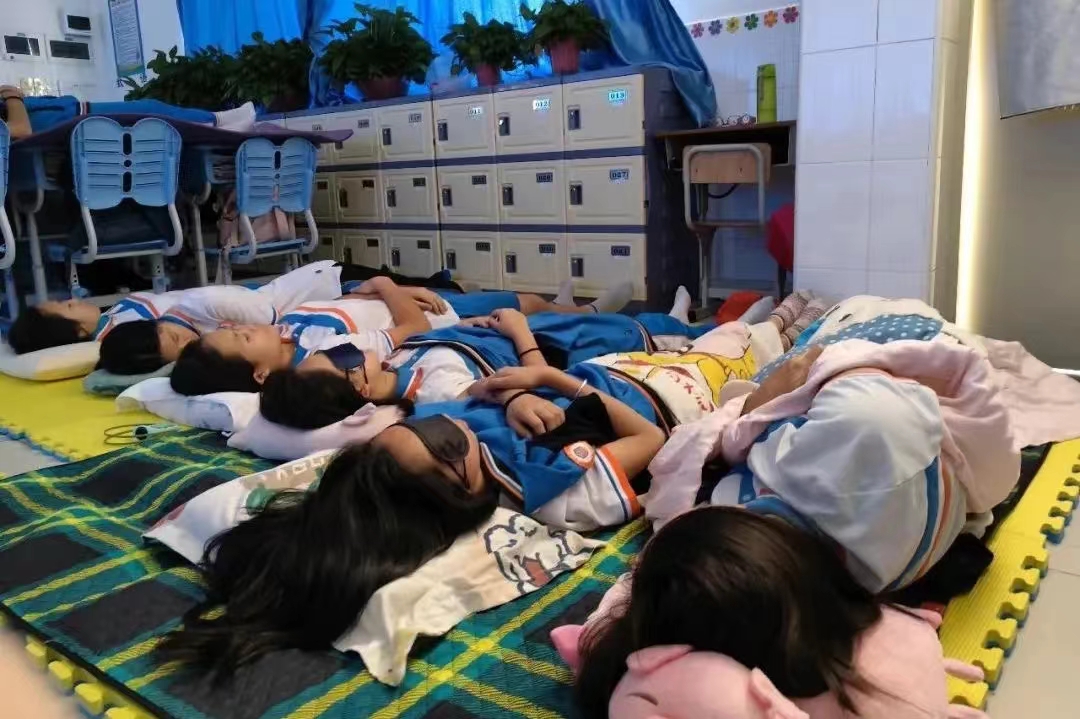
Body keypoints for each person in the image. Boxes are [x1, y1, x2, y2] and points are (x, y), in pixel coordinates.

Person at [258, 288, 714, 429]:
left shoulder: (395, 361)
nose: (351, 348)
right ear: (359, 387)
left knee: (631, 324)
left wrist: (468, 327)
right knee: (644, 335)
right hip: (554, 347)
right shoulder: (437, 392)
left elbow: (437, 344)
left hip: (517, 332)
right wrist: (518, 331)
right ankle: (702, 330)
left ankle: (678, 321)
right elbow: (520, 386)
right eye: (343, 357)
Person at [170, 280, 635, 396]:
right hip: (440, 321)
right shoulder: (326, 359)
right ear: (260, 373)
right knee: (529, 306)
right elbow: (410, 332)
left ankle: (574, 307)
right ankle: (591, 311)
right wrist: (387, 286)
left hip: (414, 308)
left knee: (534, 308)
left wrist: (374, 290)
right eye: (243, 340)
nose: (245, 329)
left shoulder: (289, 331)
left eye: (237, 330)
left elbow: (346, 305)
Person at [5, 260, 345, 360]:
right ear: (78, 331)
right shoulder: (135, 334)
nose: (75, 300)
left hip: (259, 300)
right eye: (68, 306)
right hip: (271, 305)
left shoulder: (118, 316)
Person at [0, 85, 254, 140]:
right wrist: (12, 96)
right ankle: (218, 124)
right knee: (152, 115)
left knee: (151, 109)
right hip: (75, 126)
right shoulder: (12, 103)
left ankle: (219, 120)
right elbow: (21, 130)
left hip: (75, 113)